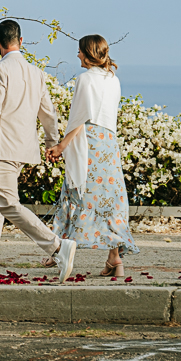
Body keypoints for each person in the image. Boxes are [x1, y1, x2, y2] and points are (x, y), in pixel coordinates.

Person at [0, 19, 77, 285]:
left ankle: (57, 246)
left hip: (1, 148)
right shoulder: (36, 73)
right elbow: (48, 112)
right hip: (22, 148)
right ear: (21, 41)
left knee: (7, 204)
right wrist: (51, 142)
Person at [46, 34, 139, 278]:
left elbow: (79, 118)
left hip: (89, 142)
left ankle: (57, 250)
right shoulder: (113, 79)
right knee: (111, 200)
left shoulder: (85, 79)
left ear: (88, 53)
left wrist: (61, 146)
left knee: (75, 193)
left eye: (79, 51)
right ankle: (115, 259)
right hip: (109, 143)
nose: (77, 55)